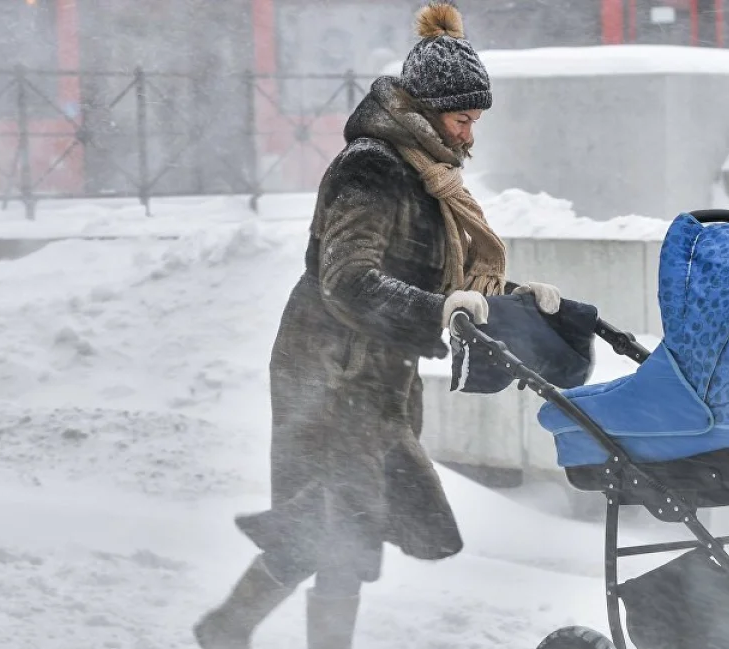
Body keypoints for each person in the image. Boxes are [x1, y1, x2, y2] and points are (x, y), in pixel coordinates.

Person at [191, 3, 560, 648]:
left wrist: (515, 300)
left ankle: (228, 627)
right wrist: (440, 311)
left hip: (374, 373)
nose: (471, 135)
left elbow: (436, 278)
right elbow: (348, 279)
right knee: (332, 520)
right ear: (427, 109)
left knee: (343, 525)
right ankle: (229, 628)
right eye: (463, 119)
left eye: (474, 121)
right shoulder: (374, 166)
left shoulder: (426, 175)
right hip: (330, 370)